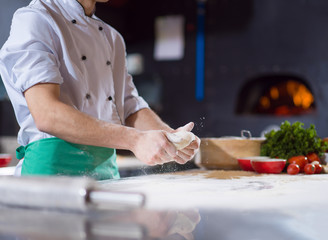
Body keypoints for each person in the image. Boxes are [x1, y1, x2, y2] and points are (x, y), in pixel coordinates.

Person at [0, 0, 200, 180]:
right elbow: (47, 114)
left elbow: (130, 106)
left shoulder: (112, 38)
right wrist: (136, 140)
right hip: (50, 176)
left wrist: (170, 138)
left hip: (105, 173)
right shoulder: (36, 19)